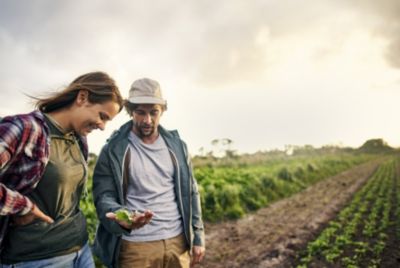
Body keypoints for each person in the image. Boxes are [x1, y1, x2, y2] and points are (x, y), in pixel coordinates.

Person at [0, 71, 124, 268]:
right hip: (36, 258)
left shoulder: (78, 138)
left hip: (81, 250)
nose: (102, 126)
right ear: (82, 97)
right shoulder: (25, 128)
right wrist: (21, 206)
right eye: (102, 116)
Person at [92, 78, 205, 268]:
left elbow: (191, 192)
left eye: (154, 112)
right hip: (135, 247)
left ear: (162, 111)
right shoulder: (113, 150)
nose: (147, 120)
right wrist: (121, 216)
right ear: (130, 111)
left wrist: (198, 236)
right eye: (140, 112)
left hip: (178, 242)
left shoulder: (178, 146)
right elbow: (104, 196)